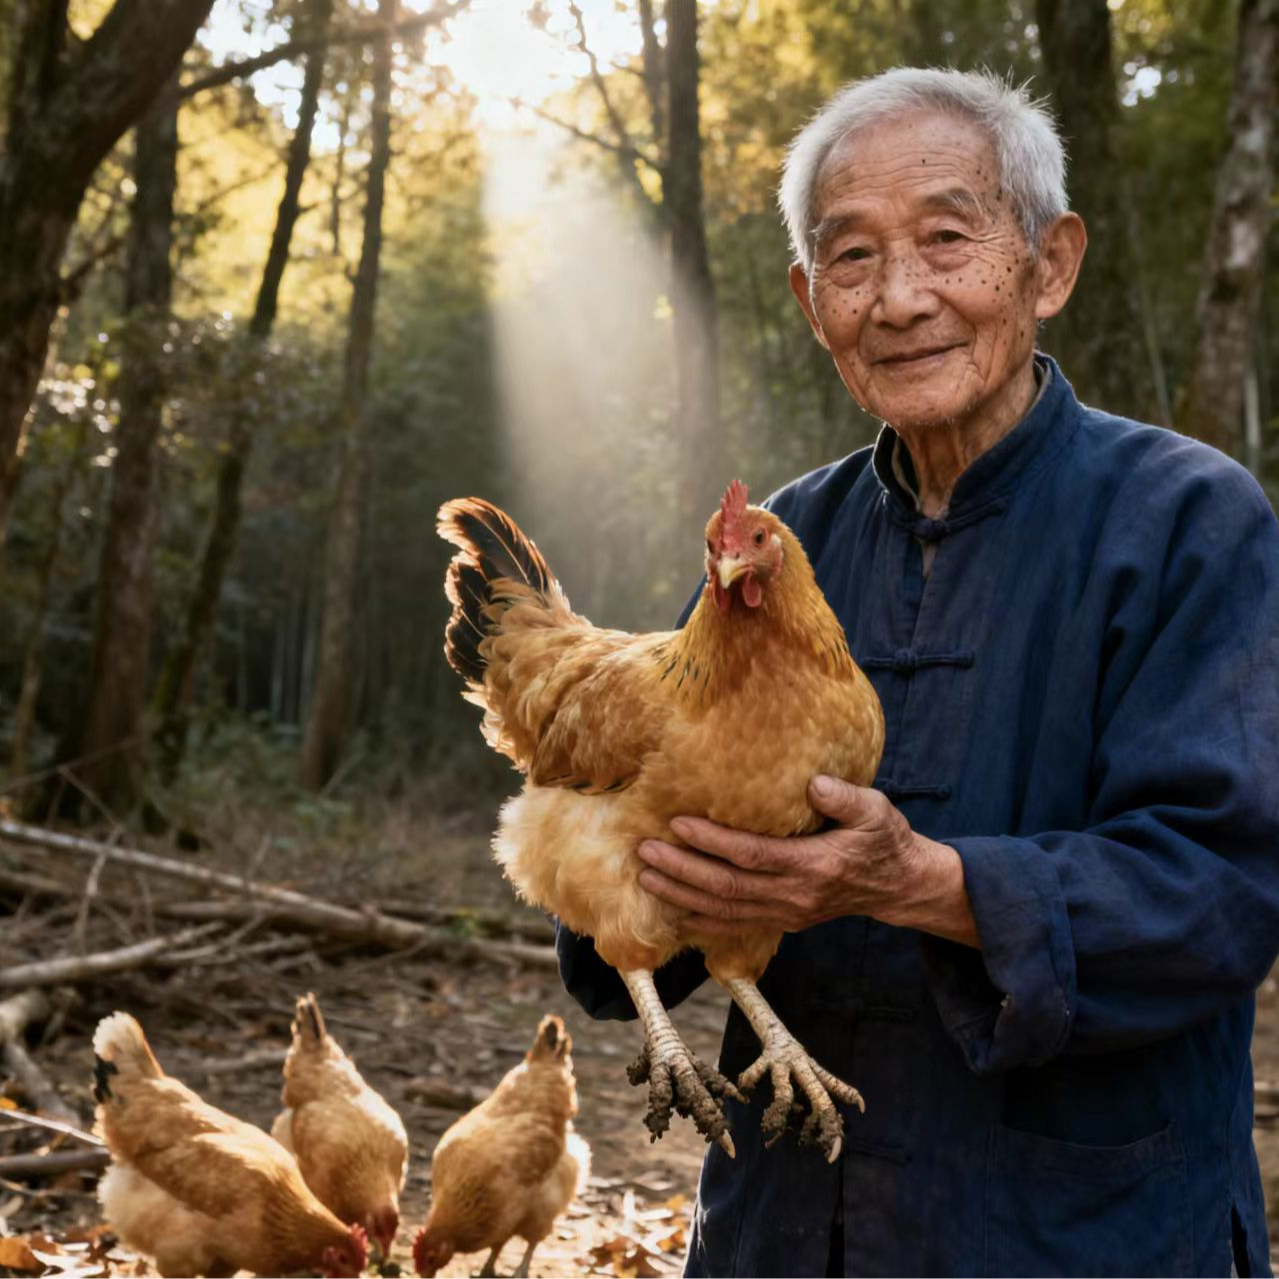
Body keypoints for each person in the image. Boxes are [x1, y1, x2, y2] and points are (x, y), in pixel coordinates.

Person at [556, 67, 1279, 1278]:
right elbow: (627, 866)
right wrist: (658, 868)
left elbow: (1222, 888)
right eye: (850, 258)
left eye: (947, 240)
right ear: (807, 297)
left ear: (1048, 264)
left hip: (1077, 1229)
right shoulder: (781, 541)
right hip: (789, 1232)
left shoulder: (1187, 523)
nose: (898, 299)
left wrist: (920, 882)